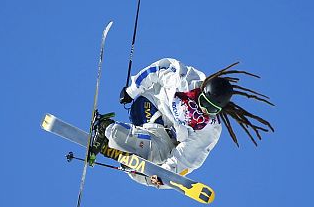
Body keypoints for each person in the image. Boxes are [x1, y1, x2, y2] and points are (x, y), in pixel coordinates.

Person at [94, 58, 273, 187]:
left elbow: (186, 158)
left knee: (158, 165)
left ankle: (116, 150)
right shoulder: (184, 82)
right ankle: (107, 129)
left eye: (211, 109)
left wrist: (163, 175)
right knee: (155, 146)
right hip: (151, 105)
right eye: (203, 103)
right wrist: (132, 91)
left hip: (167, 133)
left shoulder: (209, 130)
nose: (203, 110)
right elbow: (157, 70)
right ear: (201, 92)